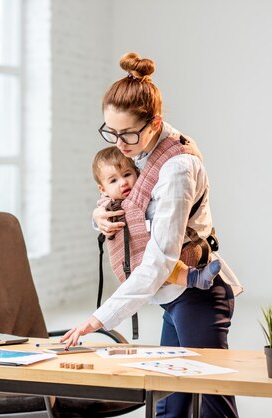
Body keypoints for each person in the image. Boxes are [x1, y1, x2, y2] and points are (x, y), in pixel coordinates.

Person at [61, 52, 242, 418]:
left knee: (212, 405)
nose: (120, 143)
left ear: (154, 122)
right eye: (111, 132)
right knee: (169, 405)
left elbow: (160, 259)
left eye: (127, 133)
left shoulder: (177, 167)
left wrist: (99, 319)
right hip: (174, 298)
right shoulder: (140, 149)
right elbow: (128, 202)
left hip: (198, 295)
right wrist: (99, 217)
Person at [92, 146, 221, 290]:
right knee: (161, 266)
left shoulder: (145, 195)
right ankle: (196, 278)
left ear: (137, 173)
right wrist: (97, 218)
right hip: (130, 261)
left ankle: (196, 278)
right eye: (113, 181)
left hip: (155, 255)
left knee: (166, 263)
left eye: (127, 174)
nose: (123, 183)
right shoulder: (106, 207)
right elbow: (102, 217)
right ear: (103, 189)